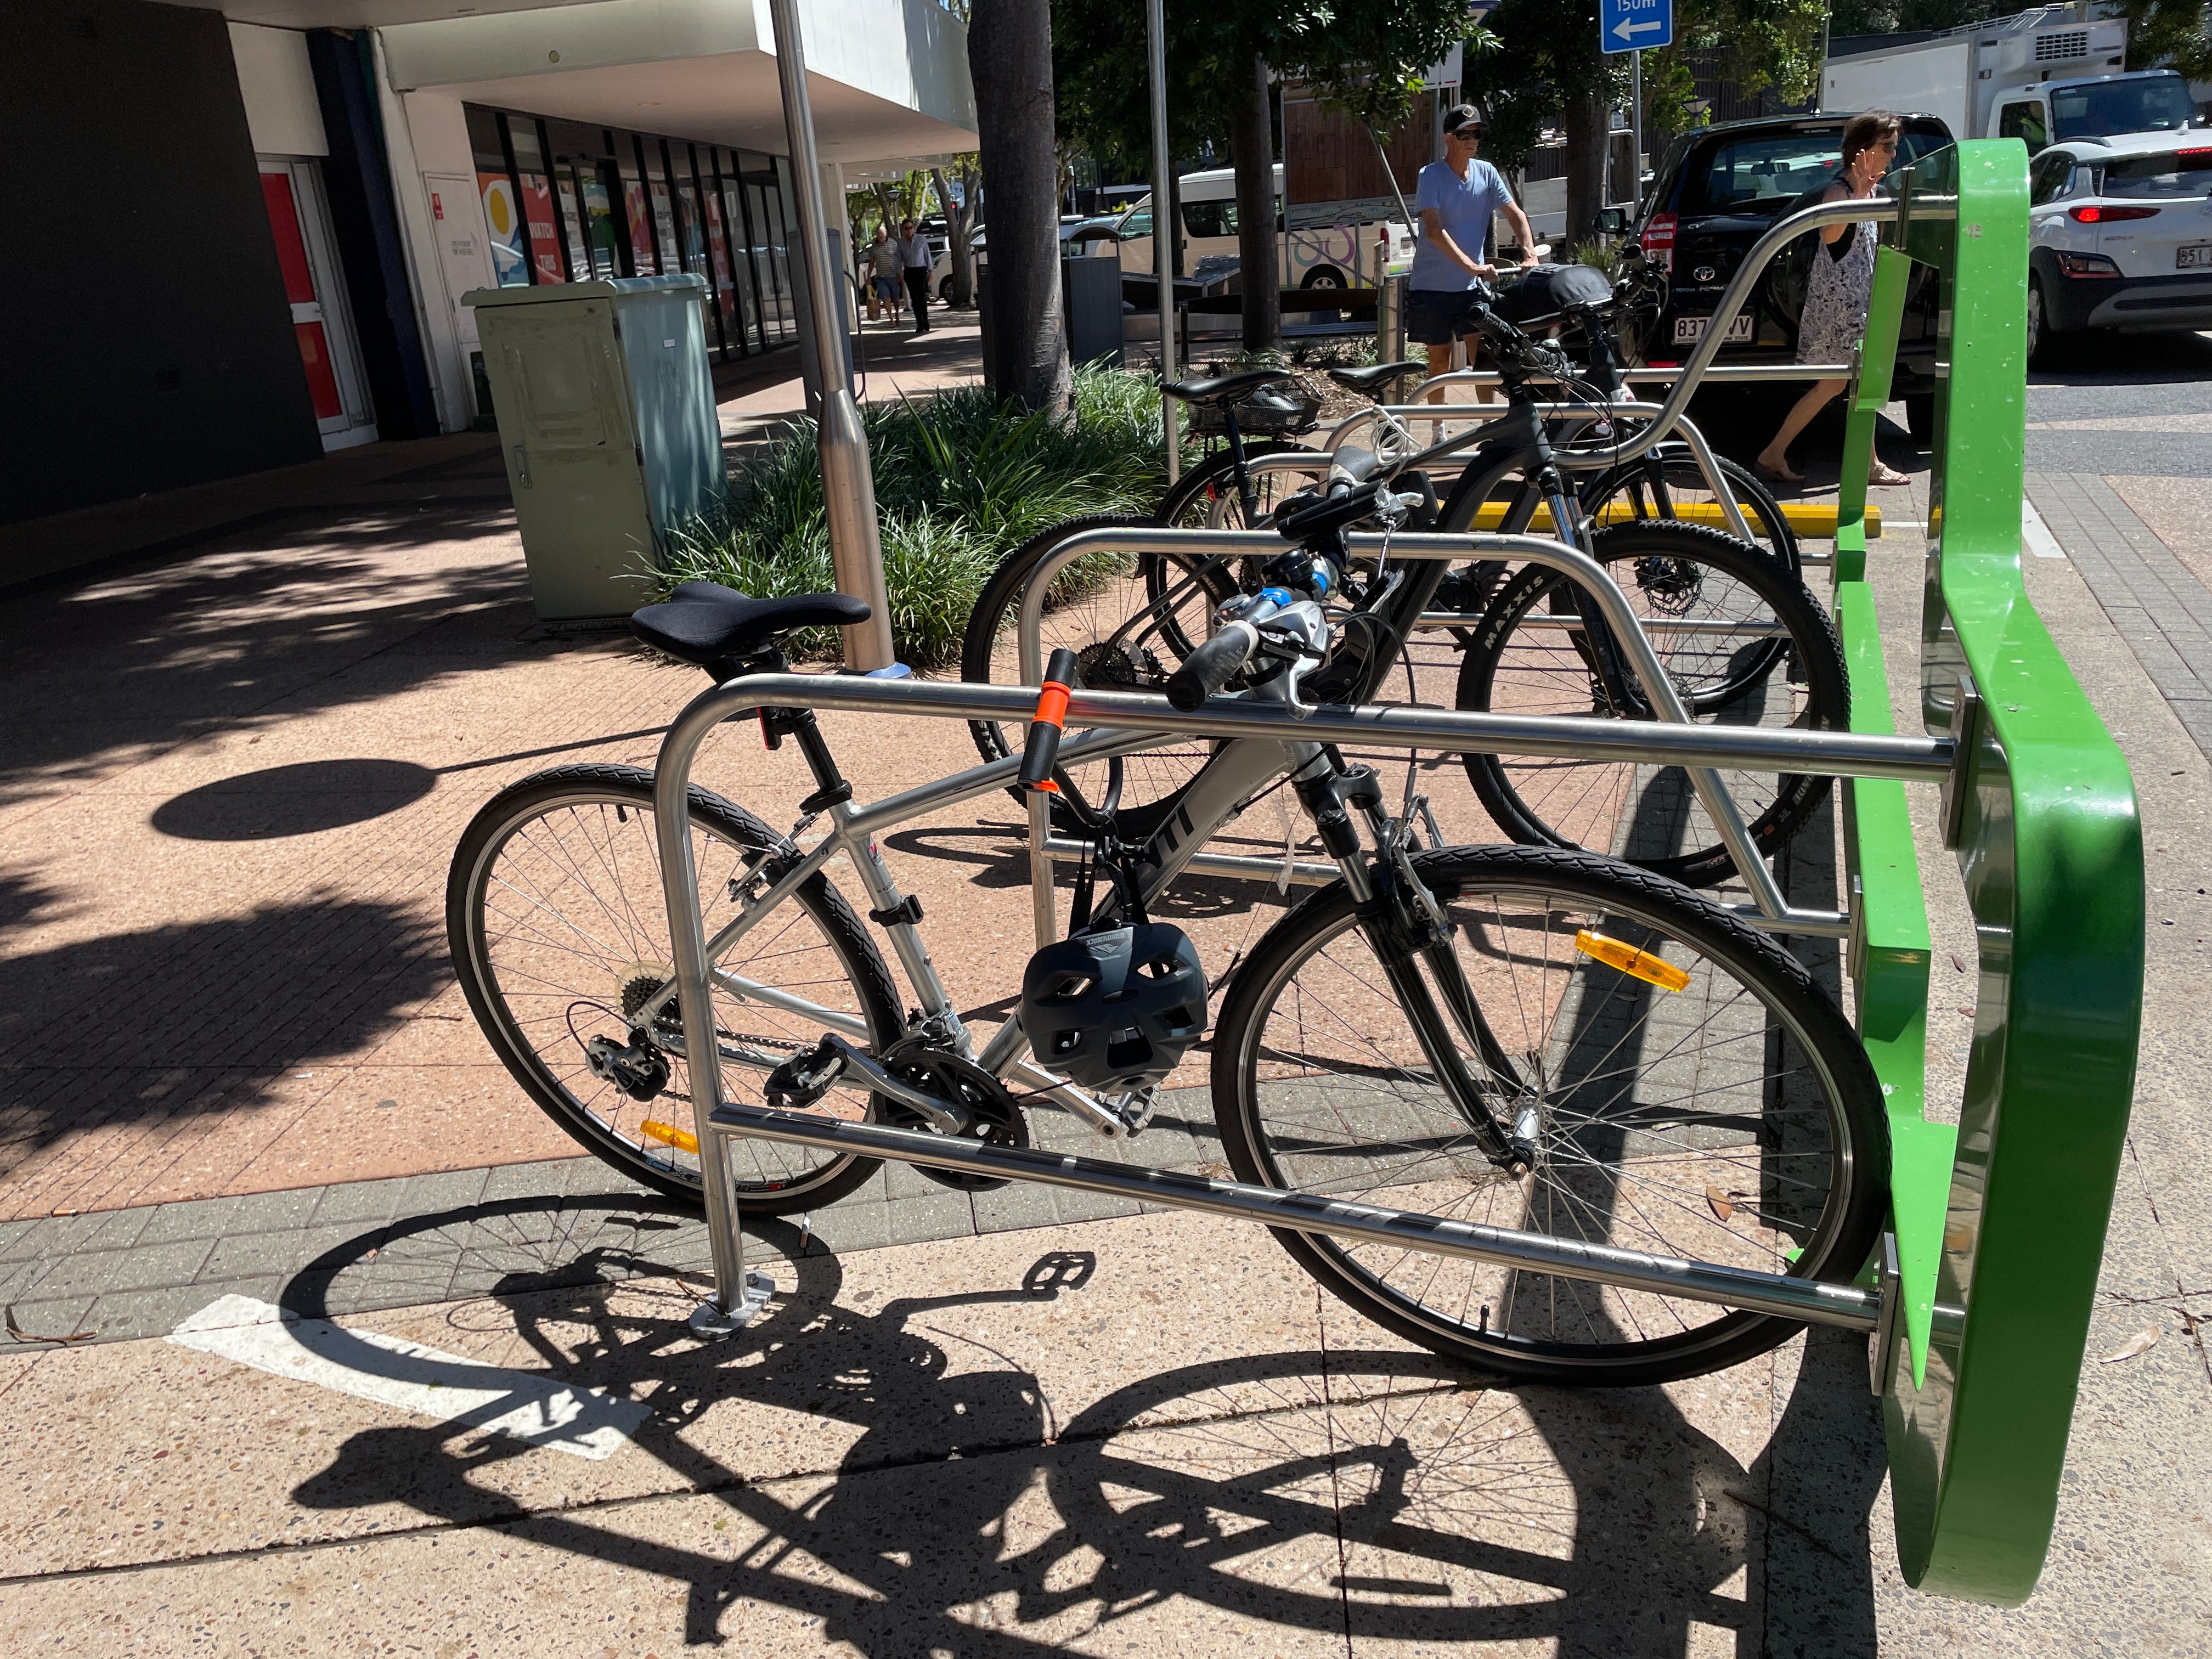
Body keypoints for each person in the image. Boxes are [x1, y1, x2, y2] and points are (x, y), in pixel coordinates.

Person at [1756, 110, 1911, 487]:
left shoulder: (1869, 189)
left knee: (1847, 384)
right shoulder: (1840, 191)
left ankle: (1778, 454)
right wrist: (1857, 196)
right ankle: (1779, 453)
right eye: (1887, 147)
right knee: (1845, 383)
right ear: (1863, 150)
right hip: (1842, 310)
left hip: (1857, 304)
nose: (1894, 154)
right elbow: (1831, 235)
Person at [1410, 105, 1539, 408]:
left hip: (1473, 290)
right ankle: (1437, 430)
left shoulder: (1488, 173)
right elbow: (1434, 231)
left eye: (1476, 134)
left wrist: (1529, 254)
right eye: (1464, 134)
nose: (1472, 140)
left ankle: (1489, 428)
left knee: (1484, 362)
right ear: (1448, 138)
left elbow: (1517, 216)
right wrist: (1473, 266)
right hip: (1432, 289)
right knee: (1440, 366)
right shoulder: (1431, 176)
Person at [900, 218, 934, 335]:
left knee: (922, 297)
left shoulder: (921, 240)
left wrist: (931, 271)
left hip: (921, 270)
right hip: (910, 272)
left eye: (910, 228)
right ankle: (919, 322)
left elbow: (927, 255)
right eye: (906, 229)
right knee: (915, 299)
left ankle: (925, 319)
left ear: (913, 228)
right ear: (903, 230)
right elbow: (899, 259)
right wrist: (899, 273)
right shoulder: (901, 243)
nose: (908, 231)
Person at [868, 223, 904, 326]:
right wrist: (868, 277)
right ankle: (891, 319)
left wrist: (900, 272)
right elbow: (871, 262)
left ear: (885, 233)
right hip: (881, 277)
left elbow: (899, 259)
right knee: (886, 298)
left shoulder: (893, 244)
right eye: (878, 233)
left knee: (896, 299)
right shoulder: (874, 246)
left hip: (894, 276)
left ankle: (897, 314)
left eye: (882, 233)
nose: (880, 236)